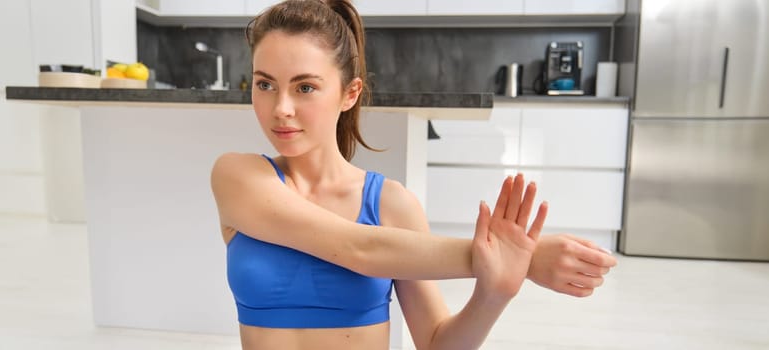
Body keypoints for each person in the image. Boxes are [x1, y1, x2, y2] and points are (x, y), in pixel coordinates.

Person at [210, 1, 618, 349]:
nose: (281, 108)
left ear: (349, 93)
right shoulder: (238, 176)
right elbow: (358, 248)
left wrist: (495, 290)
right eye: (265, 85)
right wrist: (517, 259)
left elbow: (438, 342)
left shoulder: (391, 203)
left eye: (304, 88)